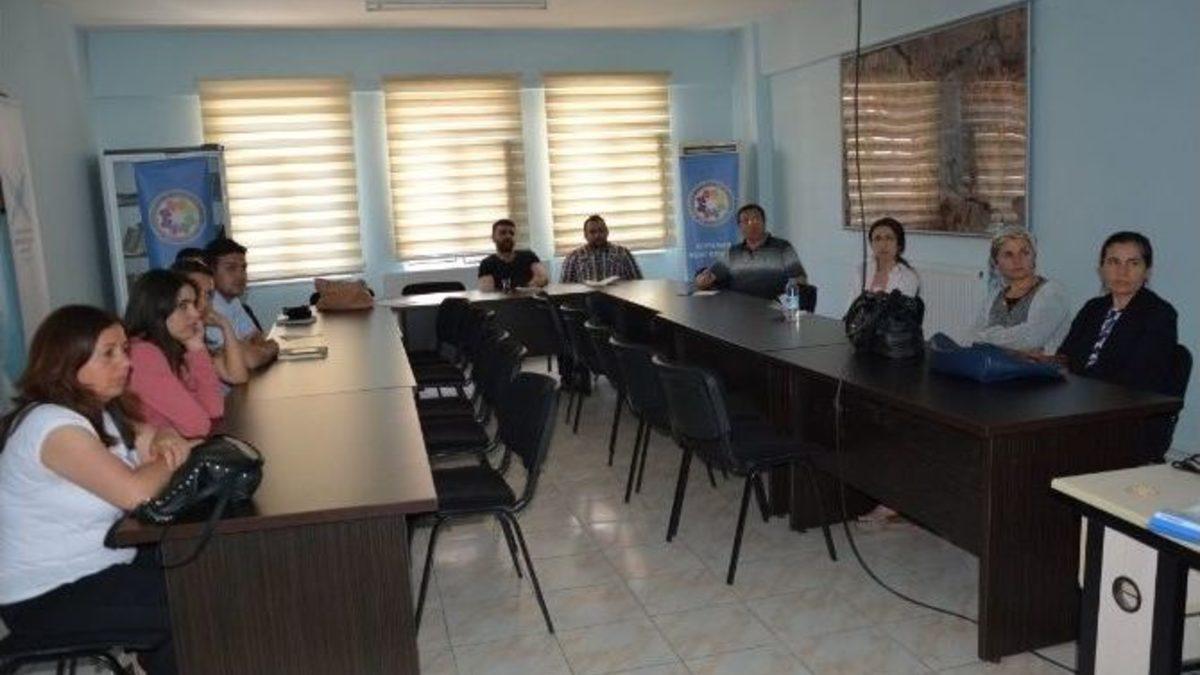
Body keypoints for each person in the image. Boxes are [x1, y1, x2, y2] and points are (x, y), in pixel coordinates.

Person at [0, 305, 195, 675]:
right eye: (109, 353)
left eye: (125, 350)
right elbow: (136, 494)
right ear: (68, 362)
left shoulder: (99, 410)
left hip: (101, 566)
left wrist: (167, 437)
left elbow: (152, 439)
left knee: (206, 571)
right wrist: (171, 457)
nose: (126, 363)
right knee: (196, 603)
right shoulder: (53, 426)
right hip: (48, 595)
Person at [1057, 231, 1178, 394]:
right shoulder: (1093, 308)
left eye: (1133, 263)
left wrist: (1079, 386)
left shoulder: (1160, 314)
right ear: (1102, 269)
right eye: (1114, 262)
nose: (1122, 272)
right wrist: (1040, 363)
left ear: (1147, 272)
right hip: (1079, 396)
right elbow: (1065, 356)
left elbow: (1139, 376)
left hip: (1126, 403)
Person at [125, 270, 224, 438]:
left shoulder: (171, 350)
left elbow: (215, 410)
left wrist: (196, 347)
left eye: (193, 304)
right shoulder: (142, 355)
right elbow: (198, 425)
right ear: (156, 309)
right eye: (183, 306)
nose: (196, 314)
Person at [966, 226, 1070, 353]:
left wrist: (987, 336)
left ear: (1034, 257)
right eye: (1008, 255)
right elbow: (971, 337)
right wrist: (989, 338)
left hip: (1040, 365)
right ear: (996, 263)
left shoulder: (1051, 292)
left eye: (1024, 253)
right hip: (996, 364)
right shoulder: (995, 297)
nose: (1017, 260)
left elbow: (1032, 338)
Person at [695, 203, 807, 300]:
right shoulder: (733, 252)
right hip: (739, 309)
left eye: (756, 219)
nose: (752, 224)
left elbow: (800, 279)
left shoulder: (782, 247)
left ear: (764, 222)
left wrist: (789, 301)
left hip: (773, 309)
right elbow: (710, 277)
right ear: (740, 227)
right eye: (746, 221)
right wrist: (702, 280)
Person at [171, 259, 250, 386]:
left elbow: (238, 377)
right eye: (196, 293)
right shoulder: (165, 347)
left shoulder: (197, 336)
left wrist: (225, 325)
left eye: (208, 295)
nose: (204, 303)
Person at [203, 237, 279, 368]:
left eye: (243, 268)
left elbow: (257, 337)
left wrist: (249, 348)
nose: (241, 275)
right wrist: (270, 348)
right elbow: (248, 360)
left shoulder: (233, 300)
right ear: (211, 273)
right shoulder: (207, 308)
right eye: (231, 268)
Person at [559, 214, 643, 283]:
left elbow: (638, 283)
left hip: (617, 298)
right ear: (585, 235)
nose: (597, 235)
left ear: (607, 232)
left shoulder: (622, 253)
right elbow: (564, 289)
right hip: (585, 298)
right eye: (592, 232)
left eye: (601, 231)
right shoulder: (573, 257)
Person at [852, 217, 921, 297]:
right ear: (871, 244)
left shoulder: (908, 277)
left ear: (899, 244)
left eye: (889, 238)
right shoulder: (861, 270)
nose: (883, 245)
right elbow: (852, 303)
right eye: (877, 239)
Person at [477, 219, 548, 291]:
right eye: (503, 233)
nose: (508, 236)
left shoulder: (529, 256)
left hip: (530, 297)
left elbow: (542, 278)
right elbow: (487, 290)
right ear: (493, 238)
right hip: (501, 298)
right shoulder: (487, 263)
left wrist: (525, 289)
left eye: (512, 233)